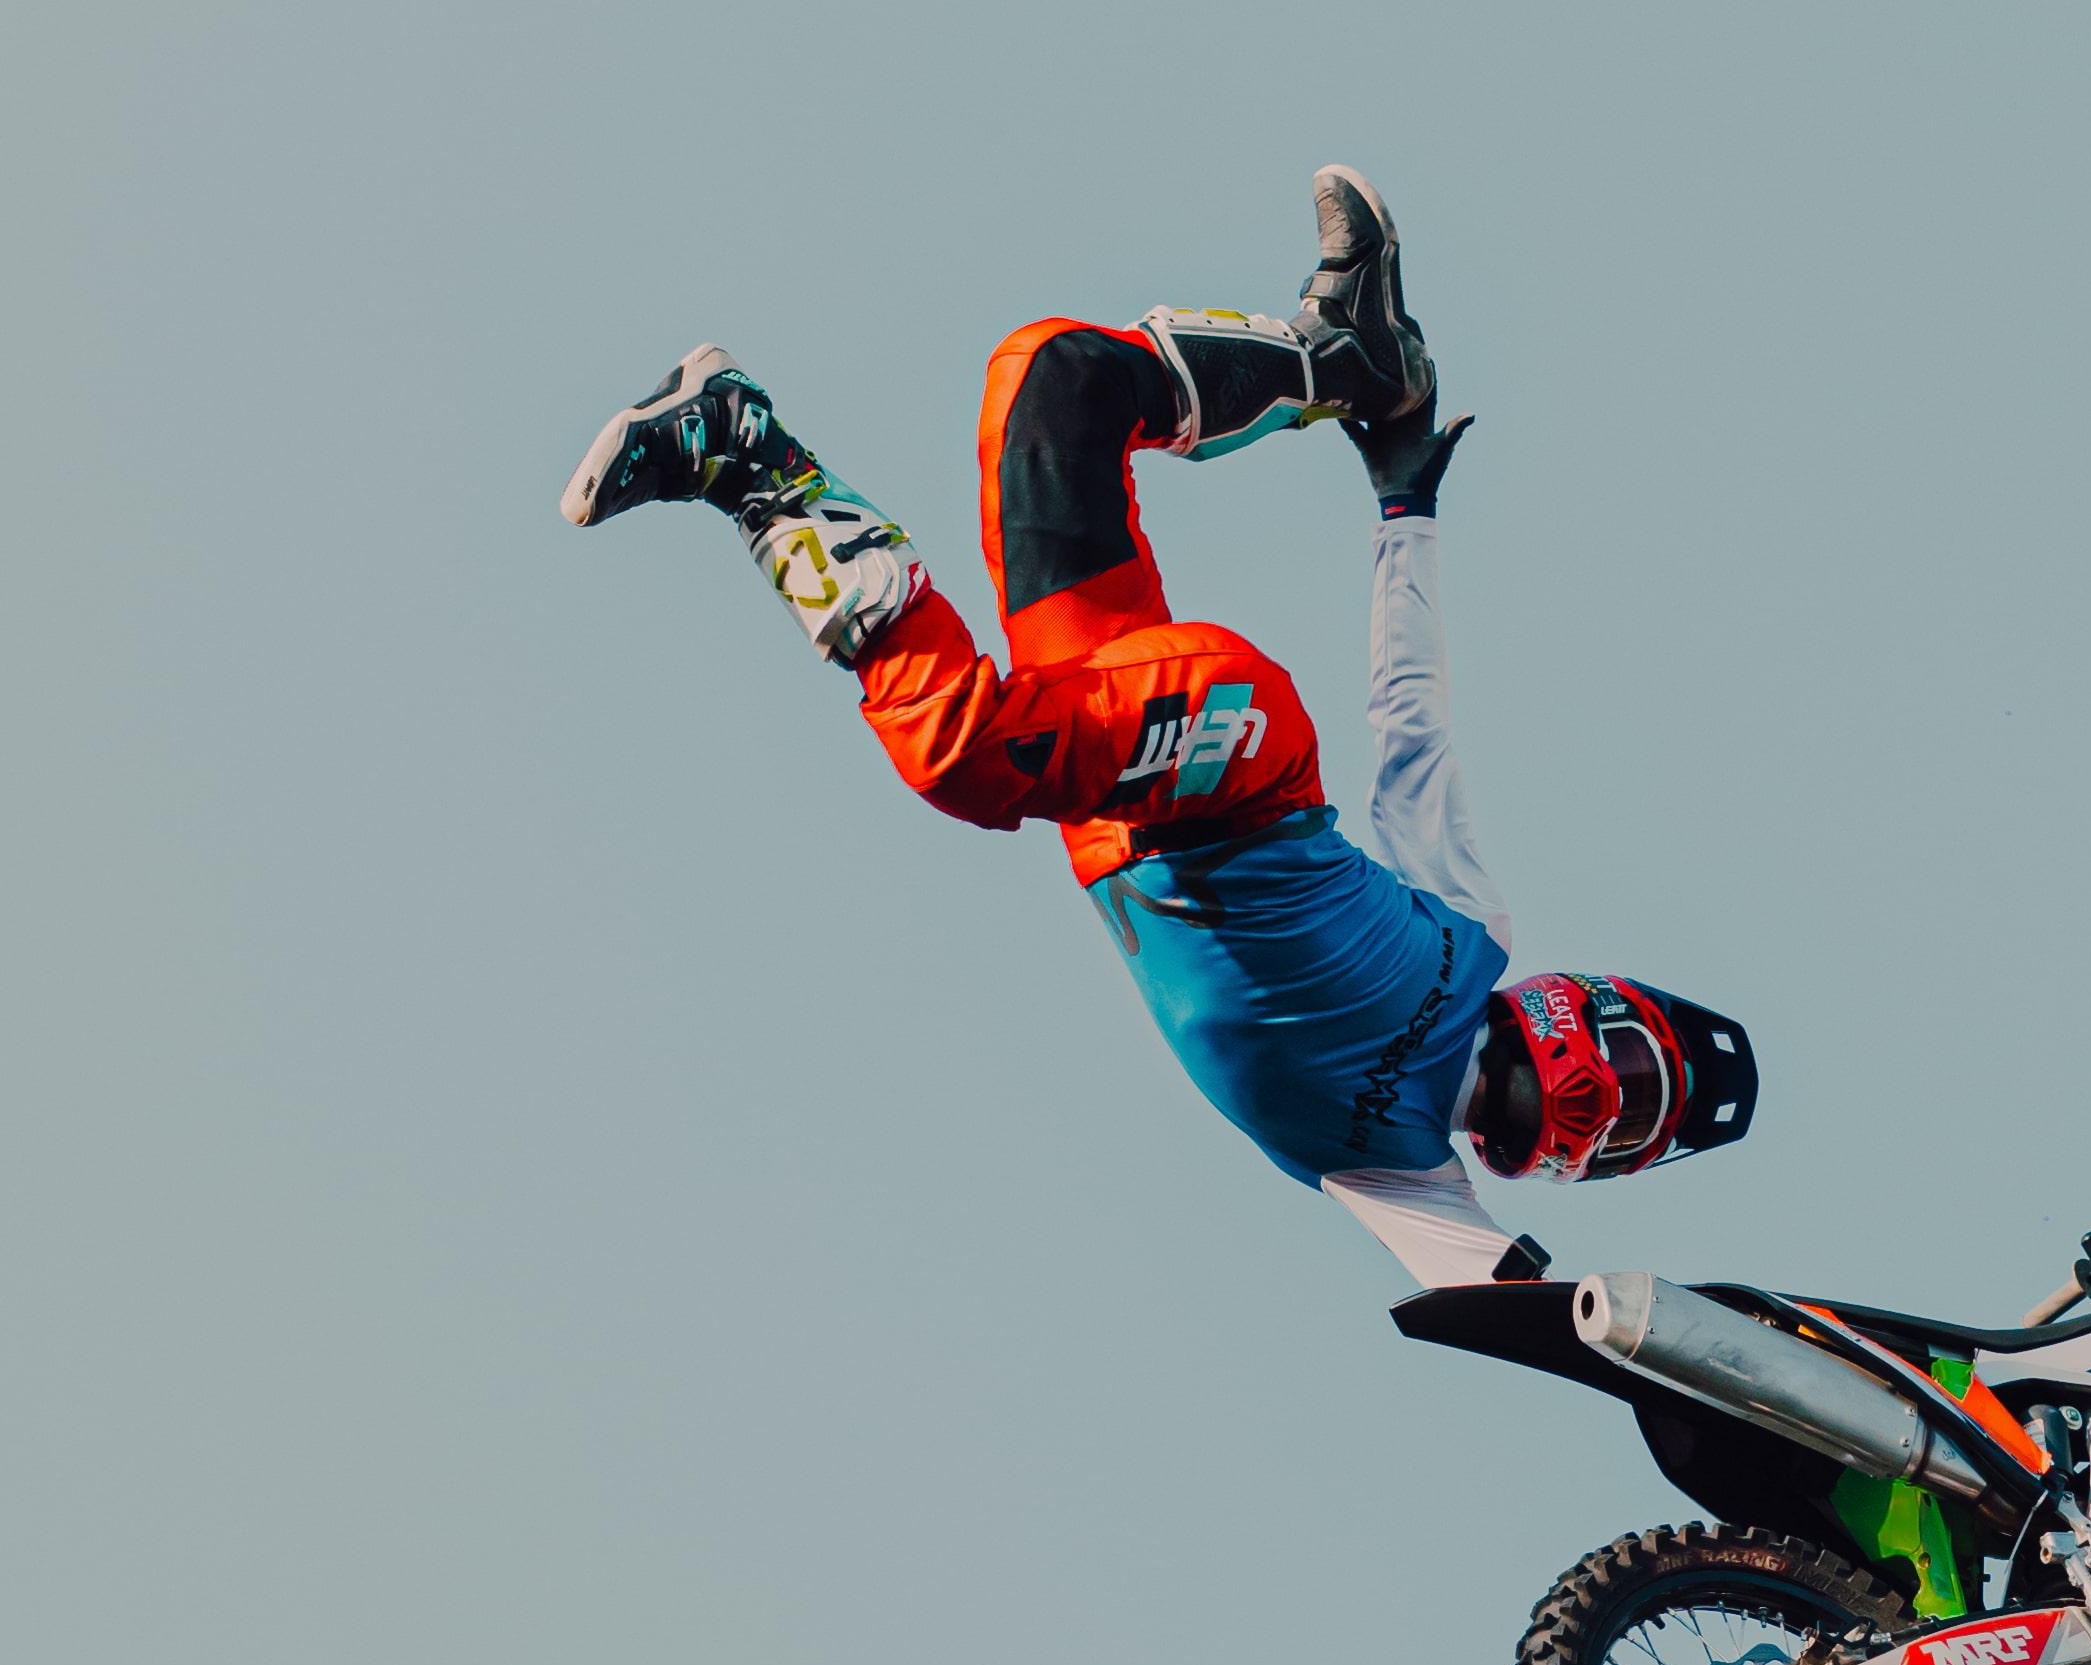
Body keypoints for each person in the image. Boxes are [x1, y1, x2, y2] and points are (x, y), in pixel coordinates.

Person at [556, 167, 1756, 1288]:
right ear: (1595, 1000)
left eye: (1626, 1137)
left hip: (1114, 808)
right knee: (965, 750)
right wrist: (1405, 505)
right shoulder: (1476, 934)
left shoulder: (1410, 1183)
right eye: (1636, 1072)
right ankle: (1330, 361)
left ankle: (745, 447)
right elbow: (1409, 728)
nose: (1608, 1105)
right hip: (1242, 765)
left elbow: (1522, 1307)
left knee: (1050, 381)